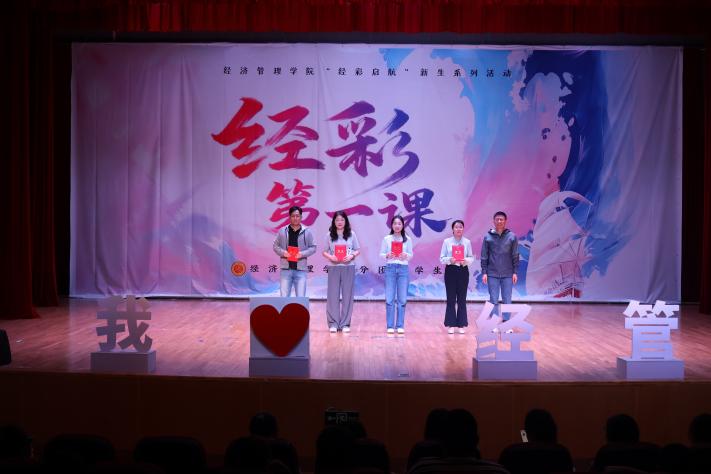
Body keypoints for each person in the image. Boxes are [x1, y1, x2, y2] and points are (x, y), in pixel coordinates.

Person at [322, 211, 360, 333]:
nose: (339, 222)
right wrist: (331, 257)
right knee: (332, 295)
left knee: (347, 295)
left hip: (348, 267)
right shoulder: (329, 235)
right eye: (337, 220)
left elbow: (357, 250)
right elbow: (324, 251)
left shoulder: (351, 234)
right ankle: (333, 323)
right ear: (334, 221)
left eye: (342, 220)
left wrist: (351, 256)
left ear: (346, 221)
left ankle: (345, 324)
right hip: (333, 267)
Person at [481, 211, 519, 322]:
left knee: (507, 299)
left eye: (501, 219)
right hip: (492, 273)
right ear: (494, 221)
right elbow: (484, 255)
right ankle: (493, 322)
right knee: (493, 299)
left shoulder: (512, 236)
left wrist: (515, 272)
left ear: (505, 221)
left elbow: (515, 255)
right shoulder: (488, 237)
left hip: (508, 273)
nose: (499, 221)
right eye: (497, 219)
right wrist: (484, 272)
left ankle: (506, 322)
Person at [272, 206, 317, 297]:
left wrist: (302, 254)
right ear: (289, 217)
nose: (295, 218)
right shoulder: (282, 231)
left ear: (301, 217)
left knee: (300, 298)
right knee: (284, 298)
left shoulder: (307, 232)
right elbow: (275, 246)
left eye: (297, 216)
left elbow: (313, 247)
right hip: (286, 270)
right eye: (293, 216)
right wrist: (283, 253)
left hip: (301, 270)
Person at [379, 215, 412, 334]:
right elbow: (381, 254)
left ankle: (400, 325)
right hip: (390, 268)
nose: (397, 226)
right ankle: (390, 326)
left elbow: (411, 254)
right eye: (395, 223)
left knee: (402, 299)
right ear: (392, 225)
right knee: (390, 298)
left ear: (403, 225)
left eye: (399, 223)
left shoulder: (407, 239)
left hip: (403, 269)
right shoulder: (387, 239)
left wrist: (406, 256)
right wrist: (387, 255)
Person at [439, 220, 474, 334]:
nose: (459, 229)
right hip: (451, 270)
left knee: (462, 299)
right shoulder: (447, 242)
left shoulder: (467, 242)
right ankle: (451, 324)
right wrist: (450, 260)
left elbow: (471, 257)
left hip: (463, 270)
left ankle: (461, 324)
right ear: (452, 229)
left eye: (461, 227)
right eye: (456, 227)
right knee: (451, 298)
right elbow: (441, 258)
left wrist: (465, 260)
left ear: (463, 229)